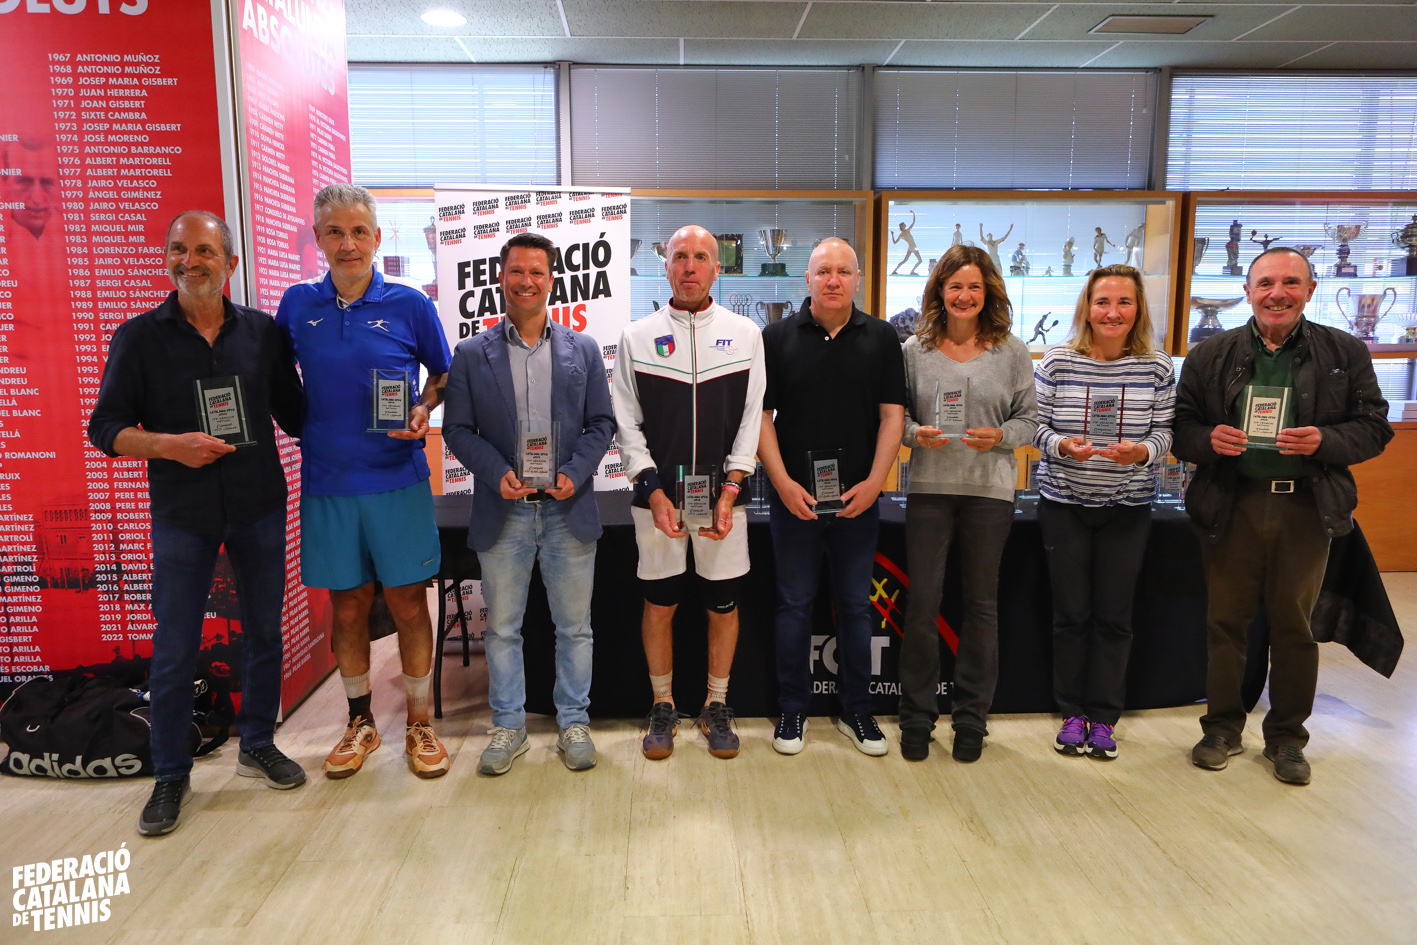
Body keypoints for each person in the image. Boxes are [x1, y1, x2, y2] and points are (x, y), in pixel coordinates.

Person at [88, 211, 306, 836]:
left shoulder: (263, 333)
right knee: (177, 643)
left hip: (258, 504)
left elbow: (296, 415)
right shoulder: (138, 337)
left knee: (263, 631)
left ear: (230, 263)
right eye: (179, 250)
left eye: (205, 250)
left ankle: (257, 743)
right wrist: (169, 446)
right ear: (167, 259)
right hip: (183, 513)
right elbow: (105, 429)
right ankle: (170, 773)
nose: (191, 261)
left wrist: (378, 414)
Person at [1173, 246, 1392, 785]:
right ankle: (1221, 729)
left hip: (1305, 507)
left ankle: (1287, 738)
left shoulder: (1344, 351)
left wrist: (1325, 441)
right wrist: (1208, 439)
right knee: (1225, 624)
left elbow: (1375, 426)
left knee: (1295, 627)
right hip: (1232, 504)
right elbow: (1180, 428)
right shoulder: (1210, 353)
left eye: (1291, 283)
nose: (1278, 293)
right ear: (1248, 291)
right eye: (1266, 283)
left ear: (1309, 290)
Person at [276, 184, 453, 781]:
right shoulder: (297, 304)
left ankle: (420, 723)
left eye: (358, 232)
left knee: (408, 602)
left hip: (397, 479)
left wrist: (423, 408)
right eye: (335, 232)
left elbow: (441, 375)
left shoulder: (410, 303)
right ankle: (360, 722)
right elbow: (275, 380)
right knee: (348, 606)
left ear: (376, 238)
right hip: (328, 483)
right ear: (318, 238)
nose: (347, 243)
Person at [442, 233, 615, 775]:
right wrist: (498, 473)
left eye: (537, 272)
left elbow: (601, 423)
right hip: (504, 511)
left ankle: (574, 722)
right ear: (501, 278)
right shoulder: (472, 354)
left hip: (568, 508)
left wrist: (573, 473)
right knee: (502, 630)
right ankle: (508, 726)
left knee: (575, 628)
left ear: (552, 280)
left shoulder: (583, 350)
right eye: (516, 271)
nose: (526, 282)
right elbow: (457, 430)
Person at [613, 224, 765, 760]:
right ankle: (663, 705)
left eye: (701, 257)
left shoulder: (746, 335)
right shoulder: (637, 337)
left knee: (722, 606)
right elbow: (626, 422)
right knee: (660, 605)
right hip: (657, 500)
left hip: (724, 500)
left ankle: (716, 705)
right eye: (681, 256)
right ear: (666, 266)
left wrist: (732, 488)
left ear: (717, 268)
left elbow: (751, 420)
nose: (691, 266)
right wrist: (653, 490)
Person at [758, 238, 906, 756]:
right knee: (794, 606)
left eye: (844, 270)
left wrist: (876, 482)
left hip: (858, 501)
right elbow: (761, 419)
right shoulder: (776, 337)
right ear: (808, 279)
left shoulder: (883, 338)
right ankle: (792, 711)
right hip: (793, 500)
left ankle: (858, 712)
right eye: (824, 271)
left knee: (856, 607)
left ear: (858, 278)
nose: (834, 279)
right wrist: (782, 483)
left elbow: (893, 416)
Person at [896, 245, 1037, 763]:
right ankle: (917, 717)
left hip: (989, 493)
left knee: (980, 606)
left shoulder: (1012, 352)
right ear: (940, 291)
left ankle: (971, 718)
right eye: (955, 285)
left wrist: (1001, 436)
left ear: (988, 292)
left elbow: (1028, 419)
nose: (964, 295)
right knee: (922, 605)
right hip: (929, 490)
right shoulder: (914, 350)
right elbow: (897, 418)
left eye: (974, 286)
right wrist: (915, 434)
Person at [1032, 265, 1174, 760]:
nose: (1113, 312)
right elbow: (1035, 426)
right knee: (1071, 615)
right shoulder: (1057, 361)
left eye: (1124, 302)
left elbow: (1165, 433)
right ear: (1087, 308)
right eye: (1103, 302)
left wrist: (1143, 453)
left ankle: (1104, 718)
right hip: (1063, 505)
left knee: (1114, 617)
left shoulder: (1156, 367)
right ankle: (1072, 713)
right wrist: (1062, 446)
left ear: (1138, 309)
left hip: (1127, 508)